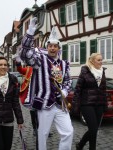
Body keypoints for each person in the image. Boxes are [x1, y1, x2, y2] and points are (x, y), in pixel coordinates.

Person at [18, 17, 73, 150]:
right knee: (42, 134)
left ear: (59, 48)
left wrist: (64, 92)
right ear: (47, 47)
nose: (52, 48)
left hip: (61, 105)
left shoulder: (64, 64)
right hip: (44, 104)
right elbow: (25, 54)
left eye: (55, 46)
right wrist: (30, 31)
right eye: (50, 46)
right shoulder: (39, 60)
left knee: (68, 132)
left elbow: (68, 81)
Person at [0, 56, 24, 150]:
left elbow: (15, 102)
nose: (3, 67)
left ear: (7, 67)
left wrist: (20, 120)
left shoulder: (13, 80)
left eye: (5, 65)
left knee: (7, 147)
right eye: (0, 65)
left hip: (8, 120)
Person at [73, 53, 107, 150]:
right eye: (99, 60)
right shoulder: (85, 71)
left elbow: (104, 90)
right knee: (93, 129)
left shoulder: (102, 71)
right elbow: (78, 89)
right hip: (87, 104)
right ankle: (81, 145)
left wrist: (105, 105)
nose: (101, 62)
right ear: (92, 61)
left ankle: (82, 146)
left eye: (101, 60)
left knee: (94, 130)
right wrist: (75, 106)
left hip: (99, 104)